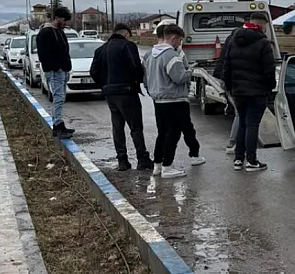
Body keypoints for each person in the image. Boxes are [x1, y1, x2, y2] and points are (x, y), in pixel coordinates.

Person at [143, 24, 205, 179]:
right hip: (175, 99)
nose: (179, 44)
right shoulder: (171, 55)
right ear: (173, 38)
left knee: (162, 133)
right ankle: (168, 167)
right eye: (179, 40)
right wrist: (190, 71)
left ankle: (158, 164)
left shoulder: (149, 54)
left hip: (158, 99)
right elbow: (179, 77)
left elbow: (145, 79)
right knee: (173, 133)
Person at [90, 23, 154, 172]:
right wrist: (136, 81)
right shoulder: (128, 46)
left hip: (110, 93)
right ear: (126, 33)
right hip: (127, 91)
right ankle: (142, 159)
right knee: (135, 127)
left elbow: (93, 71)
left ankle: (122, 161)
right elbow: (136, 66)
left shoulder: (100, 50)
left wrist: (104, 85)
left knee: (117, 127)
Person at [222, 12, 275, 172]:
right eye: (265, 25)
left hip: (238, 91)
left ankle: (238, 159)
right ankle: (252, 161)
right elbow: (269, 69)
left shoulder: (233, 40)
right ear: (261, 25)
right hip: (257, 91)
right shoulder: (263, 43)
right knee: (252, 125)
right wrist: (269, 87)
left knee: (243, 123)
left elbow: (226, 66)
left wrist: (229, 88)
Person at [36, 7, 74, 139]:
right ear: (57, 18)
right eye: (64, 20)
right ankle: (57, 126)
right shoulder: (46, 33)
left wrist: (66, 67)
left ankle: (59, 124)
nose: (65, 23)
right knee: (58, 98)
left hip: (62, 69)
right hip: (55, 71)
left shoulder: (59, 32)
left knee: (61, 98)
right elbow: (44, 54)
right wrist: (56, 67)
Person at [212, 27, 238, 154]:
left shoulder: (230, 40)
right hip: (235, 84)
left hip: (227, 80)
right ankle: (232, 143)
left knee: (239, 113)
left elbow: (224, 63)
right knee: (241, 115)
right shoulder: (237, 43)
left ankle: (233, 143)